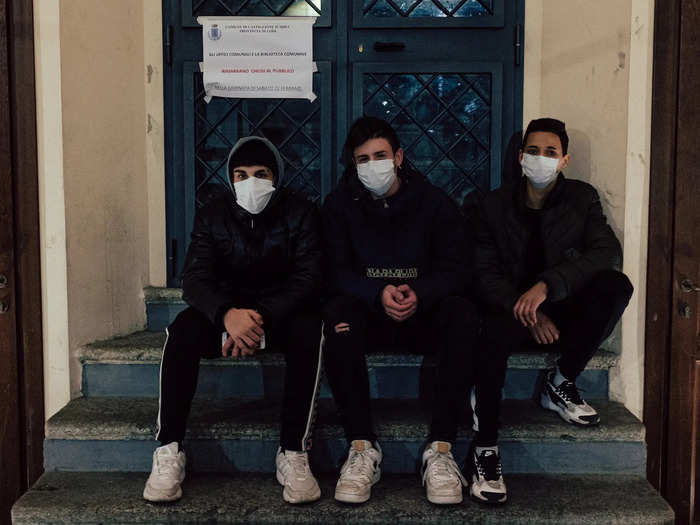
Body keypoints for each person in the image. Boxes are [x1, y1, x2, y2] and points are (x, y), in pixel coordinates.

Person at [143, 137, 324, 505]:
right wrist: (228, 316)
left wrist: (256, 320)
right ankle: (169, 448)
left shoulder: (301, 212)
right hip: (225, 314)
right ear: (230, 177)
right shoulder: (212, 213)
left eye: (261, 174)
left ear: (276, 177)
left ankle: (294, 451)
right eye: (241, 175)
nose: (251, 182)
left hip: (277, 316)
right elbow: (194, 280)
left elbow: (308, 279)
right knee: (181, 331)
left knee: (310, 331)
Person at [469, 118, 633, 505]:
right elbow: (482, 270)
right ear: (520, 155)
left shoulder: (582, 198)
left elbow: (605, 253)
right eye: (533, 151)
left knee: (615, 286)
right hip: (509, 308)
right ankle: (485, 448)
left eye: (550, 152)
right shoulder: (492, 204)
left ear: (564, 160)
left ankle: (561, 380)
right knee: (487, 335)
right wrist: (524, 306)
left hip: (559, 307)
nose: (540, 159)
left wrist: (547, 287)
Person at [321, 116, 479, 505]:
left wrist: (420, 293)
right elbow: (333, 271)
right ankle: (362, 447)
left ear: (399, 157)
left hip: (423, 314)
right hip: (368, 315)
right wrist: (377, 293)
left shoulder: (435, 203)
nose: (372, 165)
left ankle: (440, 451)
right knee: (336, 316)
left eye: (380, 155)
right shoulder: (339, 205)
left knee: (464, 316)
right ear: (352, 164)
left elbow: (458, 269)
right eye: (362, 159)